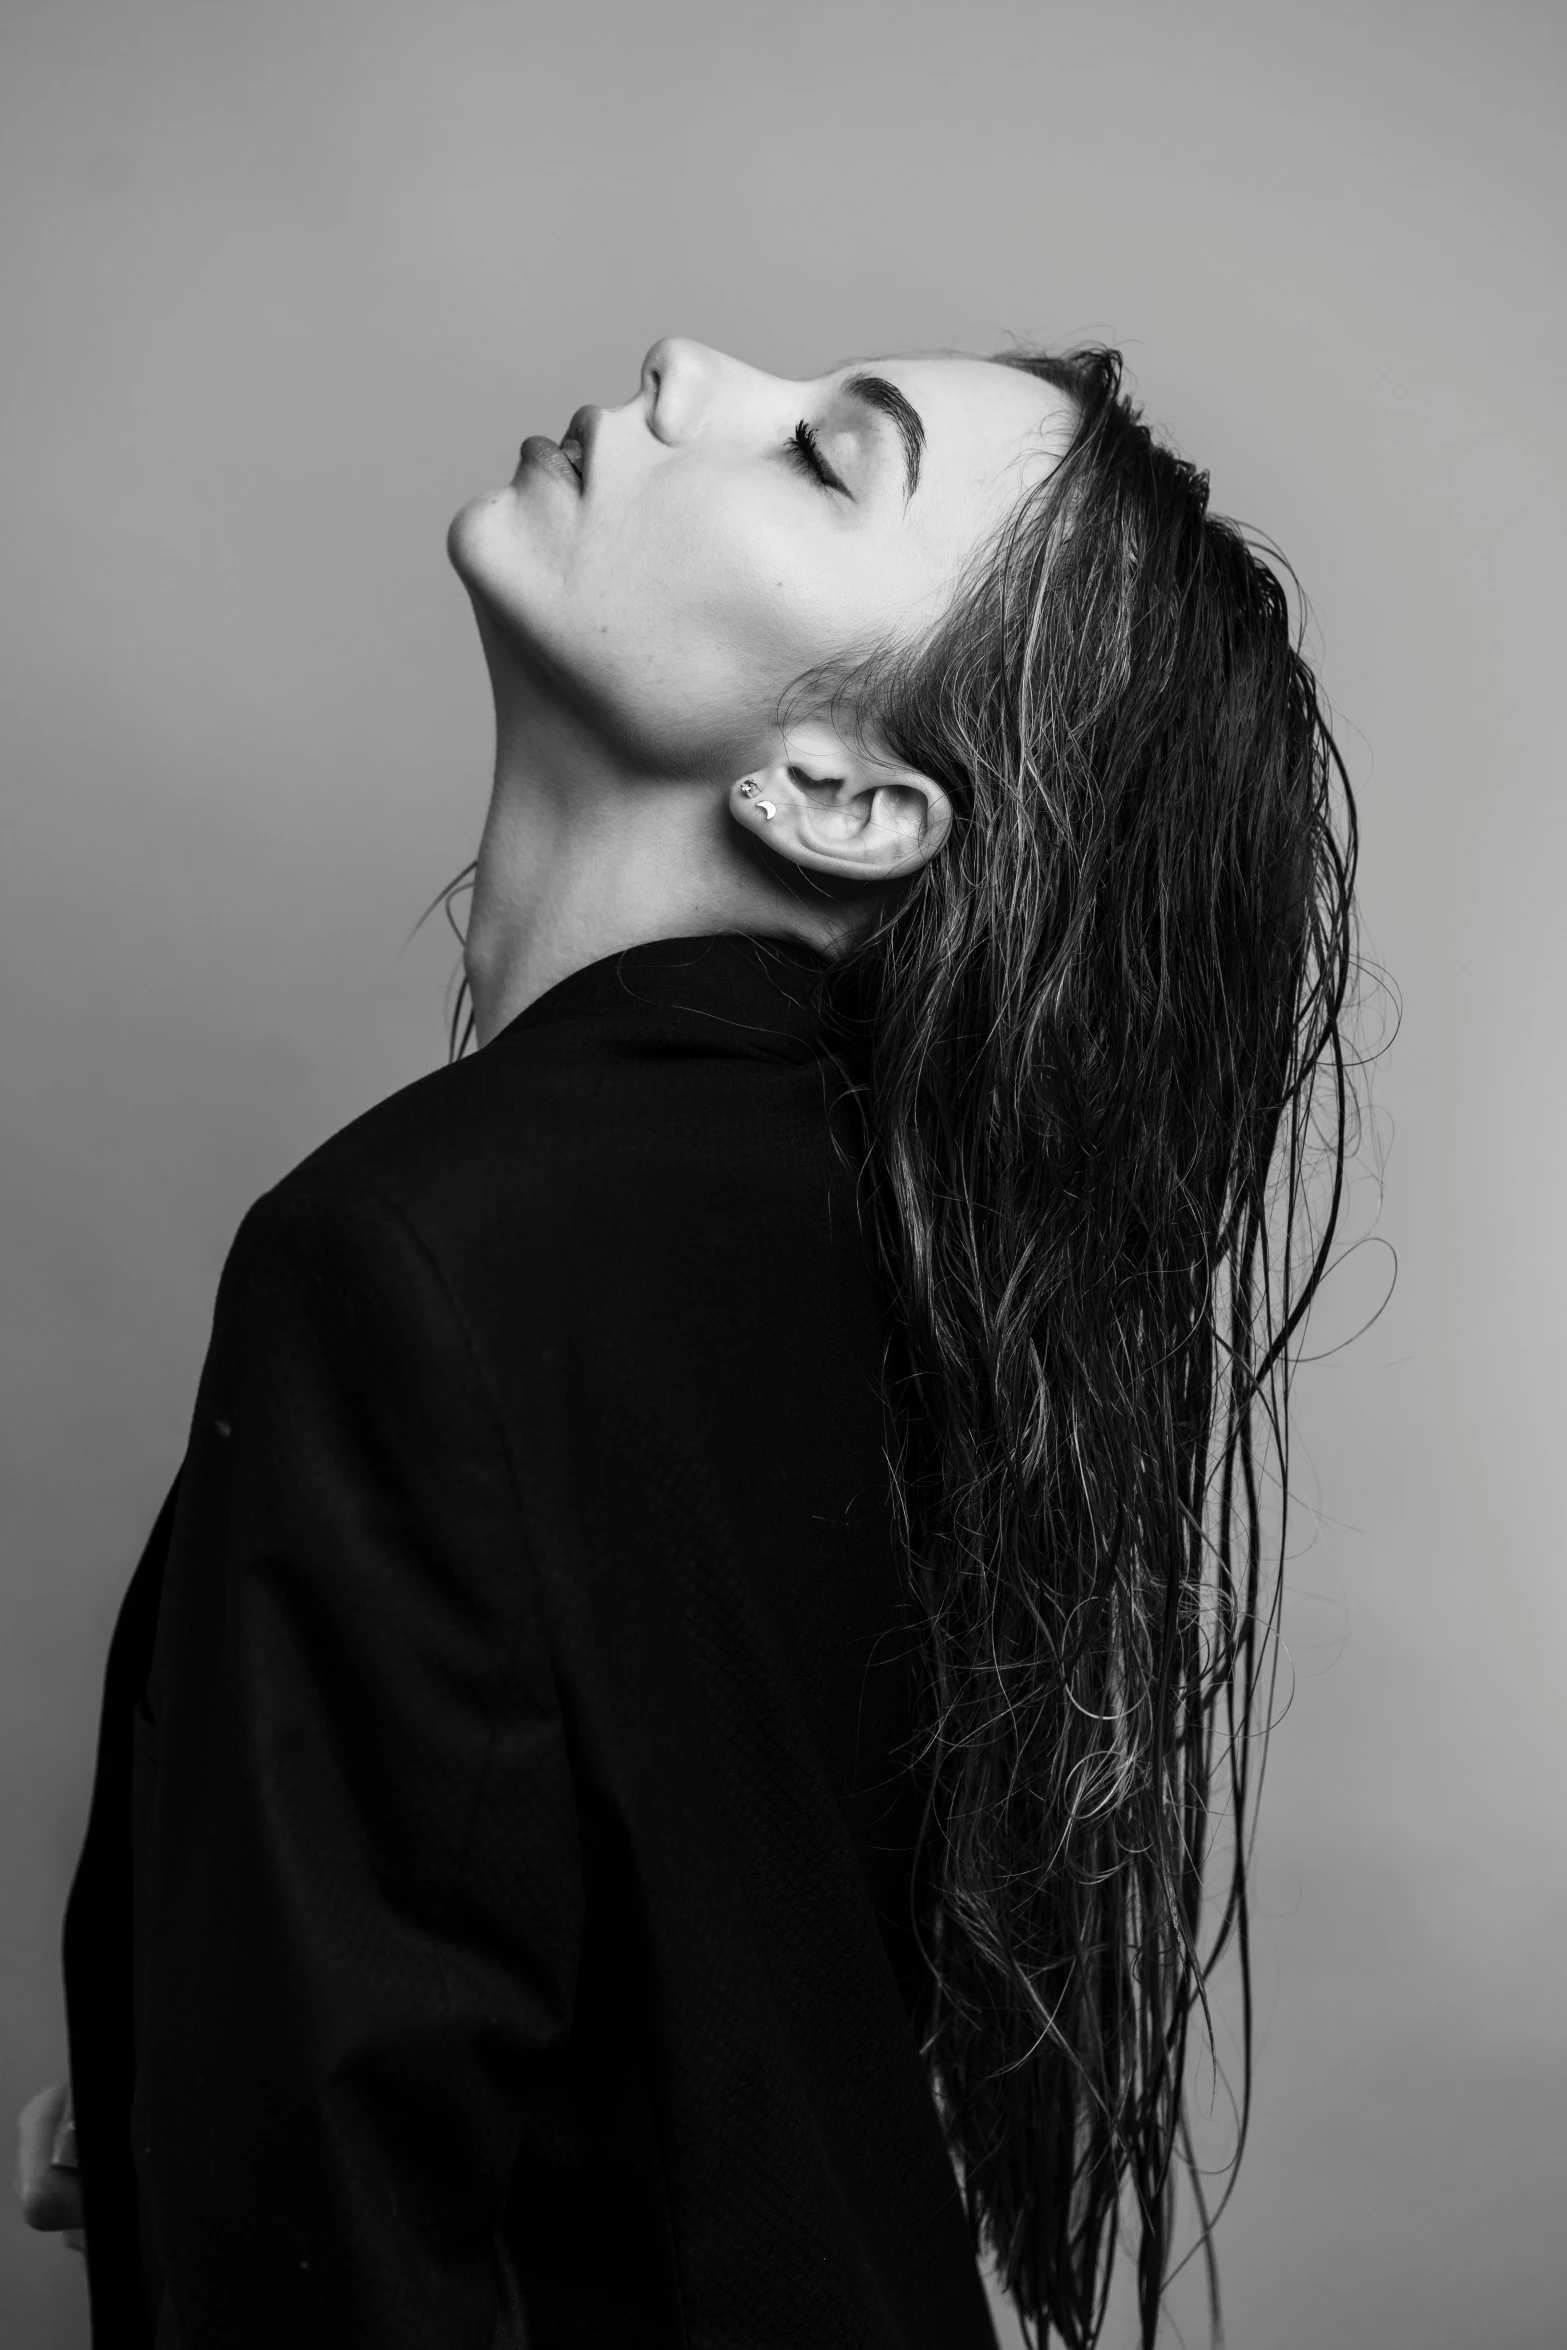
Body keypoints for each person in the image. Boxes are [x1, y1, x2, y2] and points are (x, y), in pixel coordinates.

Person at [17, 336, 1356, 2349]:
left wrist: (237, 2136)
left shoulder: (419, 1258)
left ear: (842, 792)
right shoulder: (917, 1269)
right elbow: (679, 1987)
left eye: (828, 459)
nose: (686, 366)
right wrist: (182, 2101)